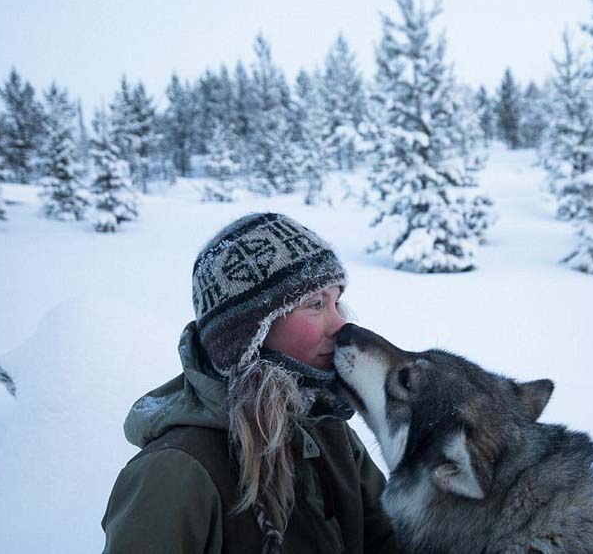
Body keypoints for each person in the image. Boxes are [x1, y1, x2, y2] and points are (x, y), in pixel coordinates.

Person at [102, 213, 399, 554]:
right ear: (248, 334)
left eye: (336, 302)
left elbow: (390, 541)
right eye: (316, 304)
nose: (341, 325)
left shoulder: (326, 428)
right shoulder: (173, 473)